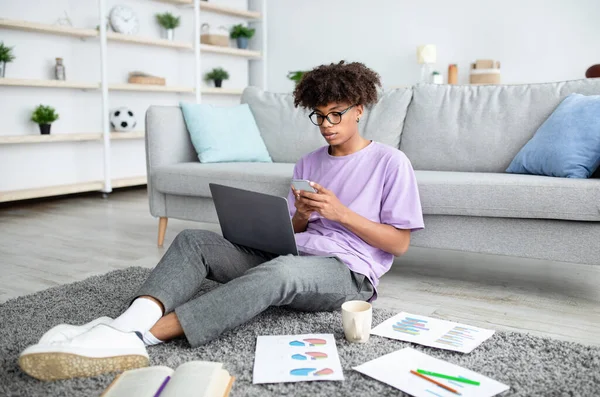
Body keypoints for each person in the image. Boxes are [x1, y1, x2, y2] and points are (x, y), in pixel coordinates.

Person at [18, 60, 424, 381]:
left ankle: (146, 337)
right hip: (295, 253)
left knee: (280, 271)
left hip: (348, 274)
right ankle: (125, 324)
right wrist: (299, 217)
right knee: (194, 239)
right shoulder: (309, 161)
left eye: (336, 115)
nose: (327, 126)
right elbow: (292, 231)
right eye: (319, 116)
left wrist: (341, 214)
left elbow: (400, 244)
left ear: (360, 110)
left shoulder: (390, 162)